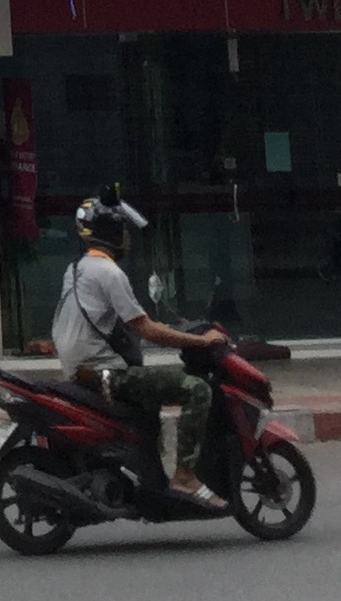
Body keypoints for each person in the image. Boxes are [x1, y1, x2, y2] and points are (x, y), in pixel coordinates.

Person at [57, 200, 232, 503]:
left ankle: (150, 474)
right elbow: (146, 329)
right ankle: (185, 477)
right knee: (198, 389)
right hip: (107, 373)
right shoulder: (109, 273)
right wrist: (202, 341)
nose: (128, 236)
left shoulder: (75, 269)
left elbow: (130, 321)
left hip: (82, 370)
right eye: (124, 230)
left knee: (151, 402)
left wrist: (173, 326)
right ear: (112, 233)